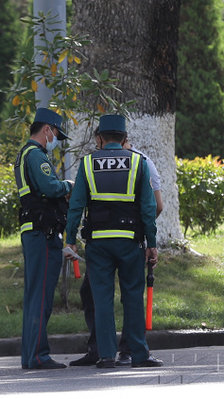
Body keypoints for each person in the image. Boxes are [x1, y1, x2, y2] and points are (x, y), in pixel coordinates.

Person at [64, 115, 164, 368]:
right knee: (132, 297)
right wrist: (151, 243)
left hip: (98, 243)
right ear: (124, 139)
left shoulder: (87, 164)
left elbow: (76, 206)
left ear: (99, 138)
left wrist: (70, 239)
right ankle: (138, 354)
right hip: (130, 242)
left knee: (102, 298)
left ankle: (106, 355)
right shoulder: (139, 163)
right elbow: (148, 208)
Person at [15, 107, 73, 370]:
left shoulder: (25, 154)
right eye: (55, 134)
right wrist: (69, 186)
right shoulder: (35, 155)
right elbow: (50, 187)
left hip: (34, 231)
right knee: (41, 297)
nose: (55, 140)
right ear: (47, 129)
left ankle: (30, 356)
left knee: (33, 296)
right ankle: (39, 356)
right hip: (42, 232)